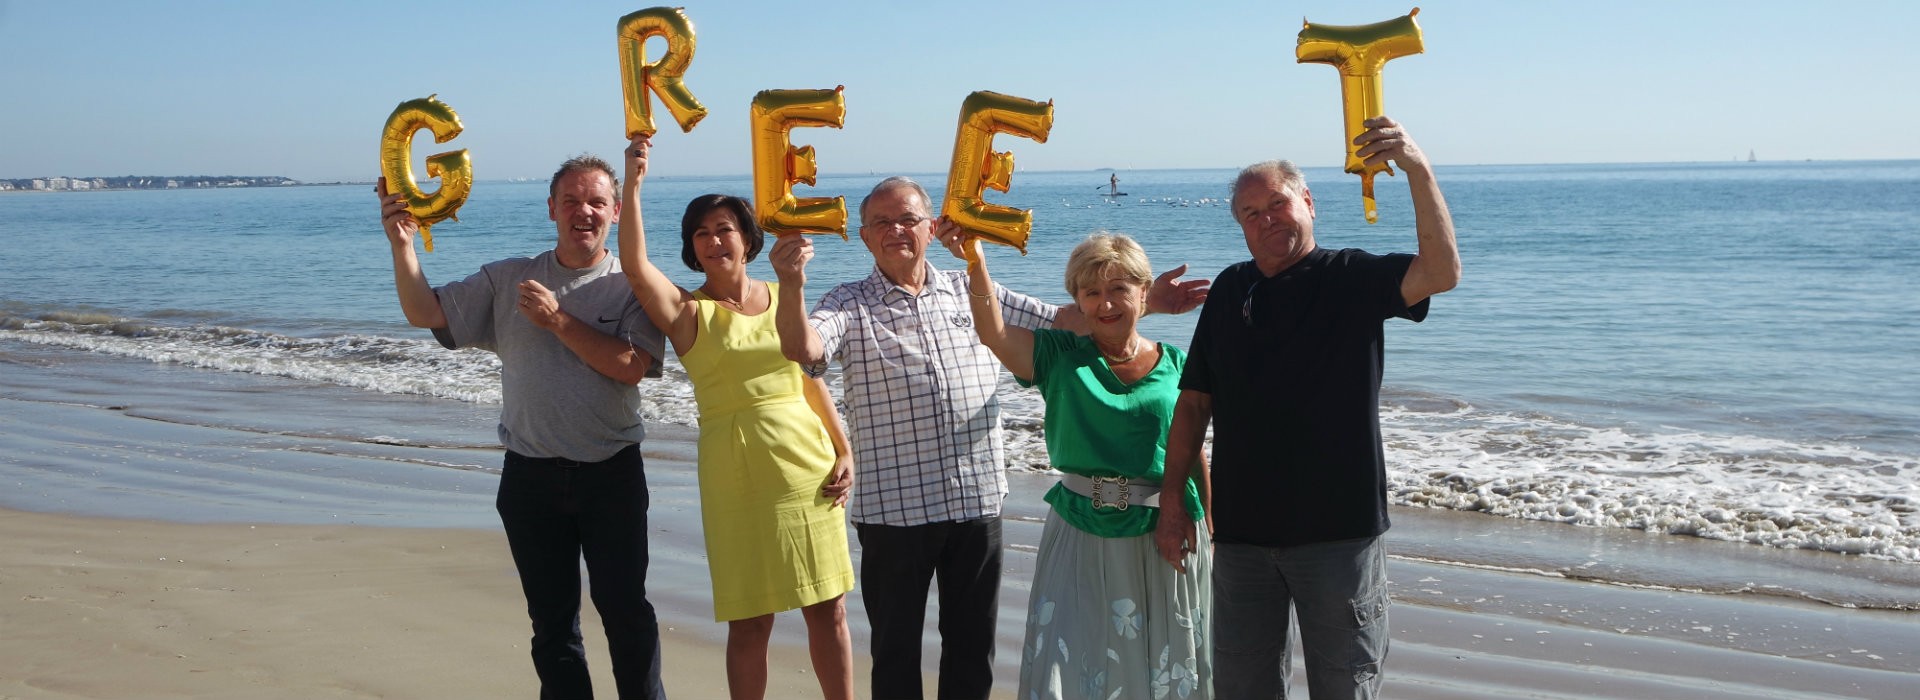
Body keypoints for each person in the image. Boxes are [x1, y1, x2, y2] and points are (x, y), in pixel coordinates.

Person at [767, 176, 1208, 700]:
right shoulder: (847, 301)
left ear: (931, 227)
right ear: (864, 237)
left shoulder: (967, 289)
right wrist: (791, 284)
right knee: (896, 652)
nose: (895, 231)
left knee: (973, 652)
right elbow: (803, 348)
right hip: (896, 510)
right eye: (881, 223)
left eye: (907, 219)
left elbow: (1068, 320)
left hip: (975, 501)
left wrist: (1143, 300)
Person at [1153, 115, 1460, 698]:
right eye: (1251, 213)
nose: (1267, 219)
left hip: (1339, 536)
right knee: (1242, 687)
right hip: (1242, 537)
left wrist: (1417, 168)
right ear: (1240, 226)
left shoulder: (1351, 276)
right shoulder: (1229, 289)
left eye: (1278, 203)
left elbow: (1442, 271)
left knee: (1345, 685)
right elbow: (1193, 404)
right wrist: (1173, 501)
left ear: (1308, 201)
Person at [377, 156, 669, 699]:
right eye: (572, 201)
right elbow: (426, 312)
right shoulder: (509, 277)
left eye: (596, 202)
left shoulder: (633, 285)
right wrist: (402, 245)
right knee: (553, 625)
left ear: (616, 209)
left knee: (626, 612)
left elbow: (632, 367)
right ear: (552, 208)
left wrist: (559, 320)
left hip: (611, 475)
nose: (584, 212)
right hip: (530, 477)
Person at [615, 135, 857, 700]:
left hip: (807, 465)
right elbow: (632, 263)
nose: (714, 240)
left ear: (748, 239)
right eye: (701, 233)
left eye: (724, 228)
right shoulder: (685, 311)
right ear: (692, 249)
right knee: (752, 619)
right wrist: (633, 181)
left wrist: (844, 449)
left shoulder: (782, 292)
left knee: (830, 608)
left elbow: (809, 376)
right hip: (737, 472)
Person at [949, 228, 1213, 700]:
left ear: (1143, 294)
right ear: (1077, 299)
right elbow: (993, 332)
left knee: (1166, 661)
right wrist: (975, 259)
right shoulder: (1057, 356)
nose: (1106, 304)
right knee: (1074, 659)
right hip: (1080, 528)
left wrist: (1214, 523)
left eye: (1119, 290)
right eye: (1092, 293)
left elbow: (1191, 451)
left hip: (1167, 530)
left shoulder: (1176, 362)